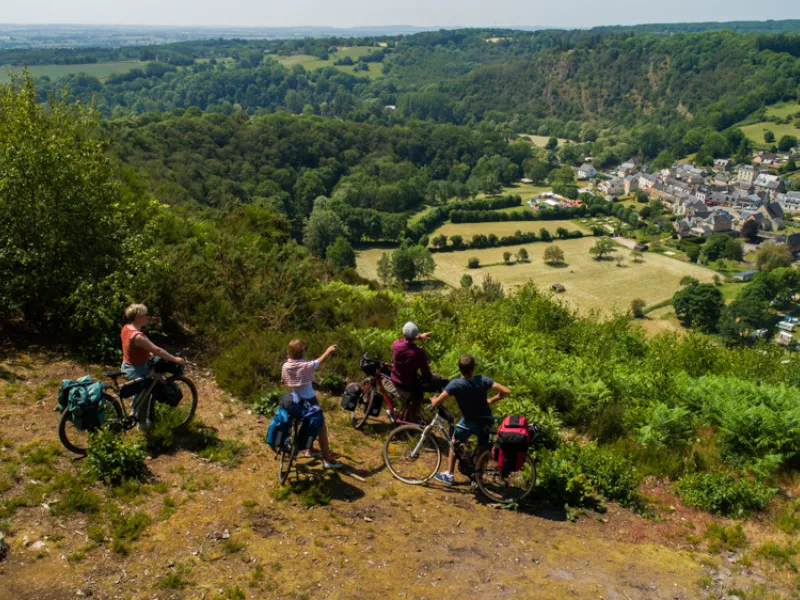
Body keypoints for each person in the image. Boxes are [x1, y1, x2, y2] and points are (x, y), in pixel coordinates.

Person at [430, 354, 510, 486]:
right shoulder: (483, 380)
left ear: (460, 368)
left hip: (469, 421)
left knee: (455, 441)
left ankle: (449, 474)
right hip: (485, 420)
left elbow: (437, 402)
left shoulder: (455, 384)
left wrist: (433, 400)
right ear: (473, 367)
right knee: (483, 448)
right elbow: (506, 391)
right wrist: (491, 400)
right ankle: (478, 479)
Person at [120, 303, 186, 430]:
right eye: (146, 315)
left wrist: (148, 354)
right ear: (138, 317)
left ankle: (135, 412)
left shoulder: (126, 328)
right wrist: (175, 359)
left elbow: (133, 349)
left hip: (127, 365)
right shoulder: (138, 336)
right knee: (147, 390)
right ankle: (142, 424)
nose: (148, 317)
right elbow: (158, 350)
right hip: (136, 369)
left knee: (141, 391)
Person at [281, 339, 342, 469]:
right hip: (309, 400)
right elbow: (319, 361)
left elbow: (283, 381)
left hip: (294, 400)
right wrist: (327, 351)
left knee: (303, 423)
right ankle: (327, 460)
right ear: (302, 352)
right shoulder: (306, 366)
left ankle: (309, 448)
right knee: (321, 427)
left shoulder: (285, 366)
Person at [384, 322, 446, 415]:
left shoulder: (396, 344)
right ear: (415, 335)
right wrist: (431, 375)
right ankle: (420, 410)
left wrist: (419, 336)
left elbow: (405, 341)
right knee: (441, 382)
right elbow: (426, 375)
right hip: (408, 384)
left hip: (395, 377)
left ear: (404, 334)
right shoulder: (419, 353)